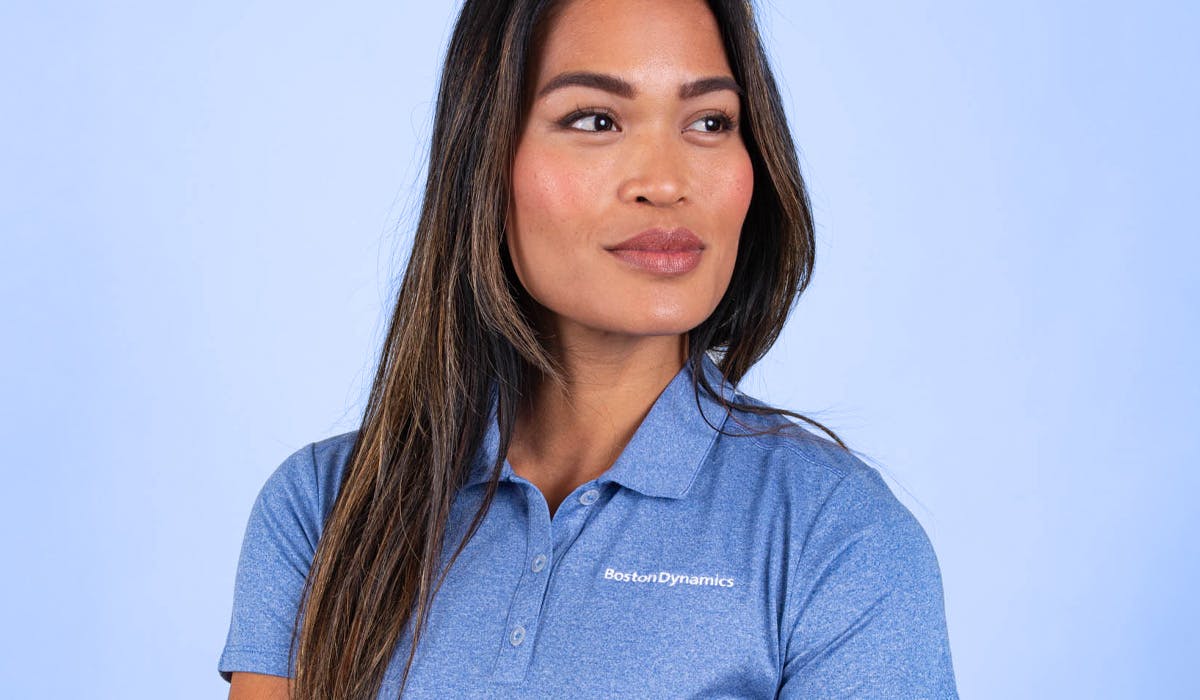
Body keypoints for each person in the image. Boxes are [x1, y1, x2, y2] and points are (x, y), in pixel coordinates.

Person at [218, 0, 959, 697]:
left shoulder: (838, 538)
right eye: (597, 119)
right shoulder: (326, 506)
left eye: (708, 121)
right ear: (485, 159)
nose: (667, 183)